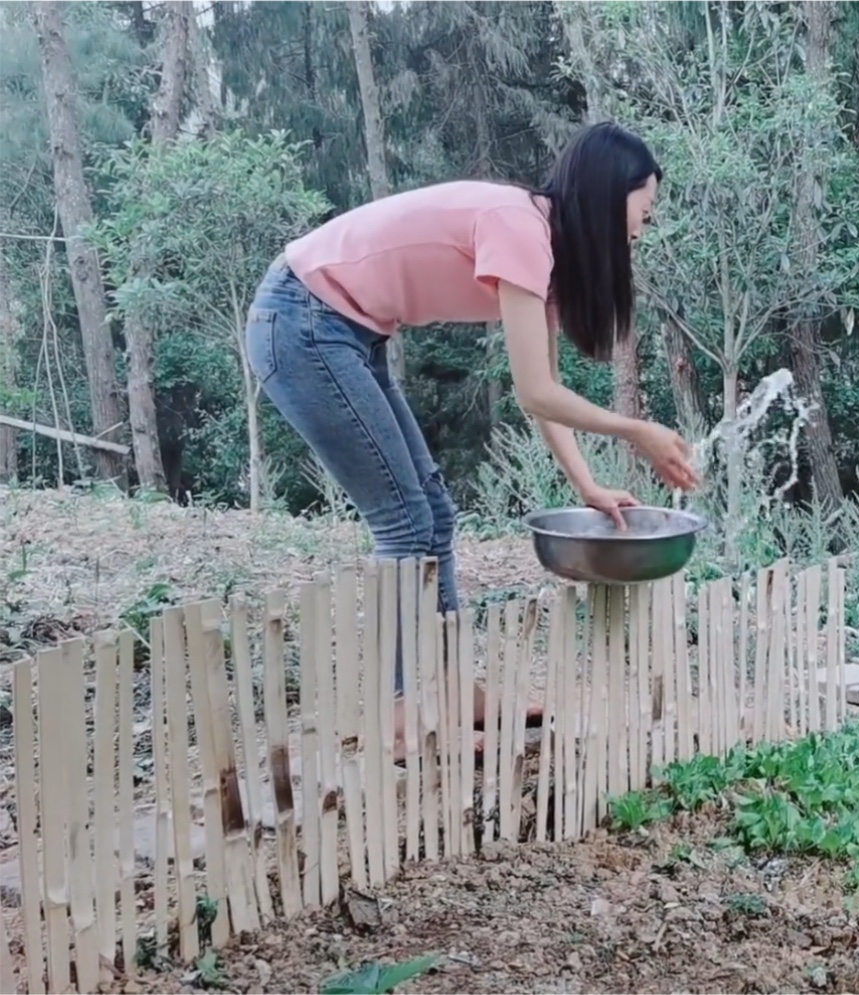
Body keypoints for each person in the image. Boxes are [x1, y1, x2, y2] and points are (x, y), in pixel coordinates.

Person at [244, 122, 700, 753]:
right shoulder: (521, 228)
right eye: (642, 212)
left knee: (433, 512)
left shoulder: (543, 250)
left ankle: (453, 685)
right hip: (301, 320)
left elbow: (542, 392)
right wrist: (637, 430)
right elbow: (538, 393)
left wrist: (587, 484)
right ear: (606, 195)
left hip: (345, 330)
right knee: (404, 522)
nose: (640, 231)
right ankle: (402, 714)